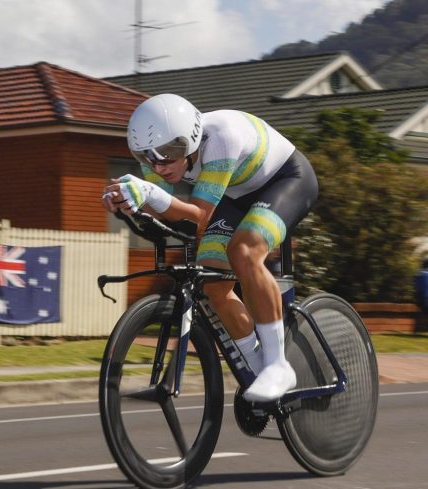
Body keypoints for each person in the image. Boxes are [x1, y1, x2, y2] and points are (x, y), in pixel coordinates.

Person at [102, 93, 319, 402]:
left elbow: (199, 218)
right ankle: (257, 371)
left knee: (244, 251)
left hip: (286, 180)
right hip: (235, 195)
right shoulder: (159, 156)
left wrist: (149, 193)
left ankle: (278, 365)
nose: (158, 165)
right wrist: (128, 203)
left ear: (189, 142)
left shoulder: (221, 138)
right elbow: (166, 210)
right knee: (214, 285)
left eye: (167, 154)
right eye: (145, 156)